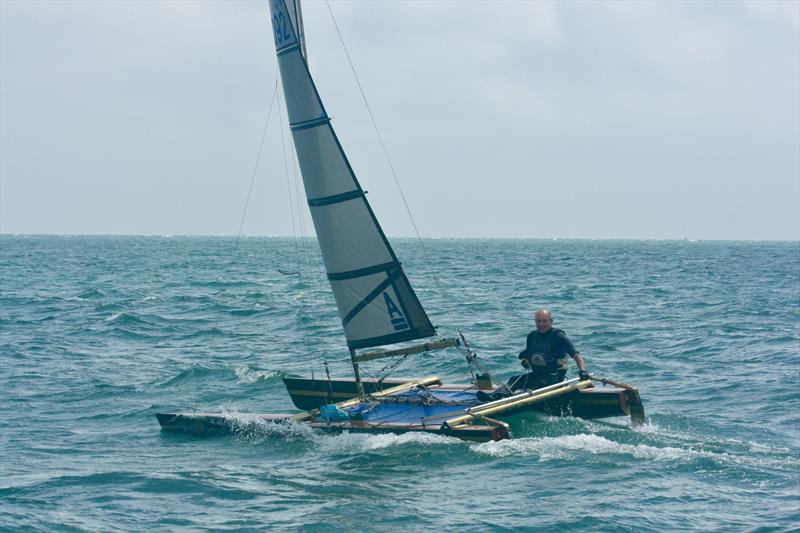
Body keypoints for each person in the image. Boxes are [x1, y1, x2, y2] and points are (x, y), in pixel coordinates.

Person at [478, 309, 589, 402]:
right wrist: (526, 360)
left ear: (551, 322)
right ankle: (495, 397)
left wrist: (583, 371)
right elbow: (530, 354)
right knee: (514, 380)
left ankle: (514, 401)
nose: (541, 324)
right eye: (538, 321)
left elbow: (576, 355)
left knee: (538, 386)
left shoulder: (558, 336)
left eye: (544, 321)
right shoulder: (532, 336)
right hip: (537, 375)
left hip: (554, 377)